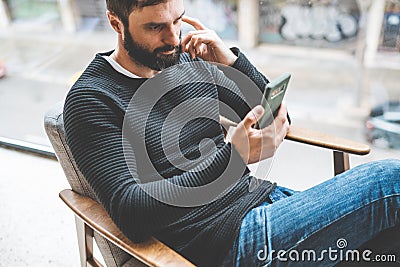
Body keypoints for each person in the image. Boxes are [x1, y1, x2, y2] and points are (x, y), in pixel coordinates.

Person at [63, 0, 400, 266]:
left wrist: (231, 63)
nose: (172, 37)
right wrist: (232, 157)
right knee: (390, 180)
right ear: (115, 22)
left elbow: (274, 118)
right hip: (226, 240)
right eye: (155, 27)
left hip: (265, 201)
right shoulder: (91, 98)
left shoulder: (181, 60)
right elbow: (131, 212)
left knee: (389, 239)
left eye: (178, 20)